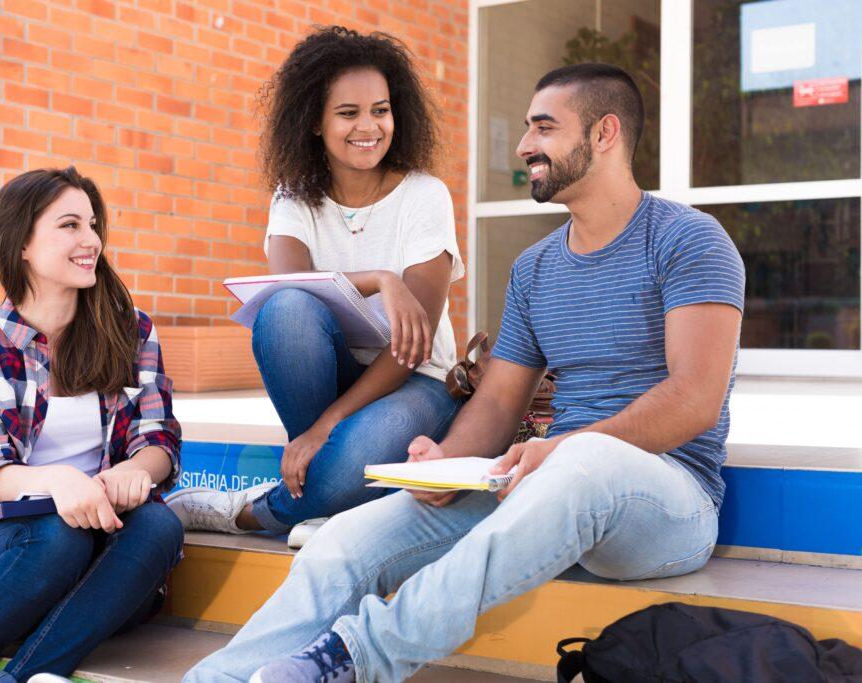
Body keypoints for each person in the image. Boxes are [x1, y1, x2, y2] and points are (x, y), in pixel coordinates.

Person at [185, 62, 747, 683]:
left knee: (585, 461)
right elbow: (499, 401)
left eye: (544, 128)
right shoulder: (535, 268)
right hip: (546, 486)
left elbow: (694, 399)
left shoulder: (689, 241)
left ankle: (353, 660)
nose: (524, 145)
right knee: (347, 540)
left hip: (668, 504)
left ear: (604, 133)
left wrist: (561, 448)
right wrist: (446, 461)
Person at [169, 26, 464, 544]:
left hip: (416, 380)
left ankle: (248, 510)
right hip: (333, 375)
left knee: (355, 455)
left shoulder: (424, 195)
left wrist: (324, 427)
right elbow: (289, 290)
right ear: (314, 121)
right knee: (285, 309)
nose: (368, 127)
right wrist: (381, 279)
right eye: (348, 113)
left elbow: (410, 346)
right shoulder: (294, 196)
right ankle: (328, 493)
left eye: (380, 110)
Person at [0, 167, 185, 683]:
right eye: (70, 225)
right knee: (61, 537)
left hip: (109, 555)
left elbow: (158, 439)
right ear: (22, 243)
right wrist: (58, 481)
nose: (91, 240)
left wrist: (135, 470)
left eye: (92, 225)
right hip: (23, 553)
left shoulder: (131, 330)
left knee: (159, 525)